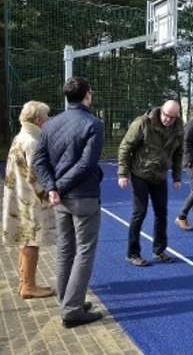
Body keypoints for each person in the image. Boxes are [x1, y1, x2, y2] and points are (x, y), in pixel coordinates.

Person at [33, 77, 105, 328]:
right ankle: (72, 310)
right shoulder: (94, 124)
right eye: (91, 91)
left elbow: (38, 161)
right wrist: (57, 188)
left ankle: (67, 300)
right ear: (87, 94)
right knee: (84, 252)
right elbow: (86, 164)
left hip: (61, 199)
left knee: (65, 250)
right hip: (82, 197)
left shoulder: (51, 124)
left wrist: (52, 188)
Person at [118, 100, 183, 266]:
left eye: (172, 117)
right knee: (139, 212)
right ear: (161, 110)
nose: (168, 120)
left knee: (161, 213)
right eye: (166, 115)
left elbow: (178, 153)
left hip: (160, 175)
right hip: (140, 173)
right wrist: (123, 173)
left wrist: (176, 177)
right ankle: (132, 253)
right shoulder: (142, 123)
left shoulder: (178, 127)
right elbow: (125, 147)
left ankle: (159, 250)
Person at [2, 101, 56, 300]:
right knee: (32, 241)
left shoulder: (21, 136)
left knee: (25, 241)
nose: (48, 120)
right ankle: (29, 286)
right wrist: (48, 194)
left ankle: (25, 282)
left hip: (18, 194)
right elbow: (36, 174)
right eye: (47, 117)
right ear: (38, 120)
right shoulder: (33, 141)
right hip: (29, 199)